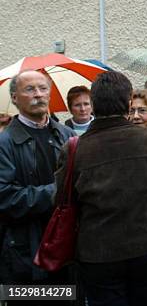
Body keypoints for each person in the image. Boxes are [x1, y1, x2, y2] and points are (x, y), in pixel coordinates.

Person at [55, 71, 147, 306]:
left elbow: (63, 200)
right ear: (128, 103)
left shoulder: (75, 149)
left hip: (97, 252)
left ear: (94, 105)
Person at [0, 70, 75, 301]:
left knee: (63, 300)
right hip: (24, 252)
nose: (38, 95)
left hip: (65, 249)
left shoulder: (67, 136)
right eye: (30, 89)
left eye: (43, 89)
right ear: (14, 98)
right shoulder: (5, 142)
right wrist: (56, 193)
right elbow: (5, 197)